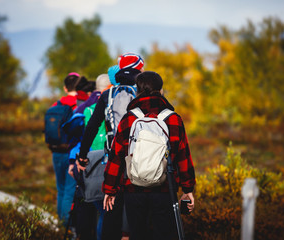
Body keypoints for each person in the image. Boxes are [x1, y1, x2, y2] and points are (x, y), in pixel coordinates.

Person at [102, 71, 196, 240]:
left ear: (137, 91)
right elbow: (183, 156)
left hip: (133, 189)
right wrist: (187, 189)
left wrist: (110, 189)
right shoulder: (173, 119)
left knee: (138, 235)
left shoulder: (128, 119)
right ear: (161, 90)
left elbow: (116, 157)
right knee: (165, 235)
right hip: (165, 190)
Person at [76, 53, 144, 240]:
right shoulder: (141, 92)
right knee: (135, 211)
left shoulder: (108, 94)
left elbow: (92, 126)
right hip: (137, 161)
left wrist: (82, 155)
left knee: (111, 208)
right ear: (138, 69)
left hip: (113, 160)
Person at [68, 73, 111, 240]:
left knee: (93, 207)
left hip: (87, 165)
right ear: (109, 87)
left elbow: (75, 140)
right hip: (107, 164)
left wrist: (74, 161)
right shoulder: (113, 103)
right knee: (106, 212)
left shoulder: (83, 109)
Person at [49, 72, 80, 225]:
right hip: (70, 154)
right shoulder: (79, 104)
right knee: (69, 191)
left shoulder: (56, 105)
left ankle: (60, 224)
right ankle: (67, 227)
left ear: (65, 88)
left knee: (60, 190)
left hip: (56, 151)